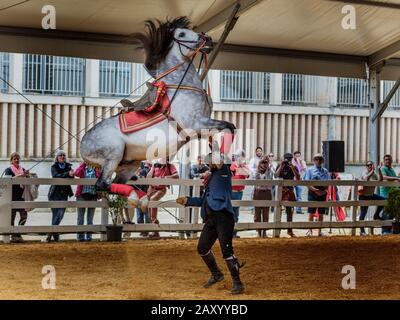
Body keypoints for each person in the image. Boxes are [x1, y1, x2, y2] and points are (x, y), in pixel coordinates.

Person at [176, 152, 245, 295]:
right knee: (202, 248)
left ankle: (238, 284)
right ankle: (217, 274)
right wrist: (187, 200)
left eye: (211, 162)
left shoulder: (224, 171)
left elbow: (220, 160)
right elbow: (203, 201)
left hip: (224, 217)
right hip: (211, 219)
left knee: (227, 251)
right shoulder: (212, 177)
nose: (209, 165)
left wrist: (212, 143)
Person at [147, 157, 179, 238]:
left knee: (153, 200)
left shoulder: (170, 166)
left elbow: (176, 175)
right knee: (149, 208)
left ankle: (154, 225)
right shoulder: (156, 165)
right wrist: (153, 167)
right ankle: (155, 231)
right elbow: (148, 177)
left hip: (161, 189)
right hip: (151, 188)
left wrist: (165, 178)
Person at [2, 152, 30, 243]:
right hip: (12, 197)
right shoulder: (8, 170)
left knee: (24, 216)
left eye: (18, 158)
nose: (17, 160)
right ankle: (14, 236)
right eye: (15, 159)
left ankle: (18, 233)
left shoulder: (24, 169)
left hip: (22, 197)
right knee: (11, 218)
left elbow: (28, 182)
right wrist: (20, 175)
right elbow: (9, 180)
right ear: (11, 160)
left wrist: (28, 175)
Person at [47, 150, 74, 242]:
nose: (62, 156)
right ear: (57, 158)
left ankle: (51, 233)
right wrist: (67, 174)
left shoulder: (68, 166)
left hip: (64, 193)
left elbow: (72, 177)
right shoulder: (53, 167)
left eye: (63, 155)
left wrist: (70, 174)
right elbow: (56, 175)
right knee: (55, 214)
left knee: (61, 214)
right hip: (54, 193)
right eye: (60, 155)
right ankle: (55, 234)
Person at [303, 153, 331, 237]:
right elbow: (307, 183)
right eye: (316, 159)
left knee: (321, 213)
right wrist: (315, 190)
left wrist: (324, 191)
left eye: (320, 159)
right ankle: (309, 230)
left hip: (322, 192)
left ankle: (319, 231)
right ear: (314, 160)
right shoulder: (309, 170)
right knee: (311, 212)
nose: (318, 161)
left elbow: (328, 182)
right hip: (313, 192)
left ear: (322, 161)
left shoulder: (325, 171)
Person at [74, 162, 101, 241]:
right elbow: (77, 173)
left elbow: (100, 177)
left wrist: (98, 170)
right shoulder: (82, 167)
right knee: (80, 218)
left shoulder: (97, 167)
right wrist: (82, 165)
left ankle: (89, 237)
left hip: (93, 195)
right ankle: (80, 237)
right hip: (81, 195)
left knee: (90, 219)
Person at [275, 153, 300, 237]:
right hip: (280, 190)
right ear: (283, 158)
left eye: (289, 159)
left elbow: (298, 178)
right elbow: (276, 175)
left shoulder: (294, 166)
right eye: (286, 159)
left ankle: (289, 230)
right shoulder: (280, 165)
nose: (287, 160)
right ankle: (277, 230)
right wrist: (281, 166)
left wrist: (292, 167)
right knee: (278, 210)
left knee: (290, 211)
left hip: (289, 190)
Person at [358, 161, 384, 236]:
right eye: (368, 165)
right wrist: (373, 170)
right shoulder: (364, 173)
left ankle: (376, 215)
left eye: (371, 165)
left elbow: (380, 179)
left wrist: (379, 169)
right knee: (363, 212)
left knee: (383, 201)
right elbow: (366, 179)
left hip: (371, 195)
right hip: (363, 196)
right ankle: (362, 231)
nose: (370, 166)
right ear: (366, 166)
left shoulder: (374, 174)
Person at [230, 150, 250, 238]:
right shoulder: (232, 165)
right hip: (232, 192)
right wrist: (240, 168)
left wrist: (242, 167)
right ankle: (228, 232)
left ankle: (234, 232)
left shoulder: (244, 166)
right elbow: (234, 173)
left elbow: (248, 174)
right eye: (238, 156)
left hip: (239, 192)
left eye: (242, 156)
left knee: (236, 213)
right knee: (230, 212)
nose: (240, 158)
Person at [253, 156, 274, 238]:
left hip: (267, 193)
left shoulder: (269, 172)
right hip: (258, 193)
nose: (264, 166)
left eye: (265, 164)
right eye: (262, 164)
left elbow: (269, 179)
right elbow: (256, 182)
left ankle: (264, 231)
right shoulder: (256, 172)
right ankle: (258, 231)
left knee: (266, 213)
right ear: (259, 164)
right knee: (257, 214)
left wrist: (268, 168)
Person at [379, 154, 400, 234]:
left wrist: (397, 178)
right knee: (386, 212)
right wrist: (396, 178)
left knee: (391, 212)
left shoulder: (391, 169)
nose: (388, 161)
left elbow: (395, 180)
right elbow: (384, 177)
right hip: (385, 194)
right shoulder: (383, 168)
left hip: (392, 195)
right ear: (384, 161)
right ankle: (384, 230)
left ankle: (389, 230)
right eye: (386, 159)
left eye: (389, 159)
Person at [135, 161, 152, 236]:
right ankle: (145, 230)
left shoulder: (142, 171)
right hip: (144, 194)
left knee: (141, 213)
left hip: (140, 194)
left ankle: (143, 230)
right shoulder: (149, 170)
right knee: (145, 213)